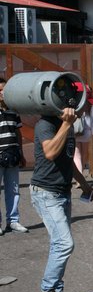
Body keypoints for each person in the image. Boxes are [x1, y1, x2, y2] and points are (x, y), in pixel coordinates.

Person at [31, 89, 93, 292]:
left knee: (59, 244)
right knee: (64, 244)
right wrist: (66, 125)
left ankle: (56, 290)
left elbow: (67, 160)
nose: (87, 109)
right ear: (72, 103)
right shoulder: (46, 124)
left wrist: (83, 183)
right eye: (86, 104)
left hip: (61, 192)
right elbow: (49, 152)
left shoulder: (67, 124)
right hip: (45, 193)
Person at [0, 77, 28, 234]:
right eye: (0, 90)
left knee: (14, 189)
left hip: (12, 154)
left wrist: (21, 154)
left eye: (4, 90)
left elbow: (18, 132)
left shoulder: (13, 110)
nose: (2, 93)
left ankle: (13, 221)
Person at [73, 83, 93, 177]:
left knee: (76, 155)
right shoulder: (92, 104)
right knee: (84, 155)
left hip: (75, 130)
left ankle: (79, 177)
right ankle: (81, 175)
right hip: (87, 130)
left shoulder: (74, 103)